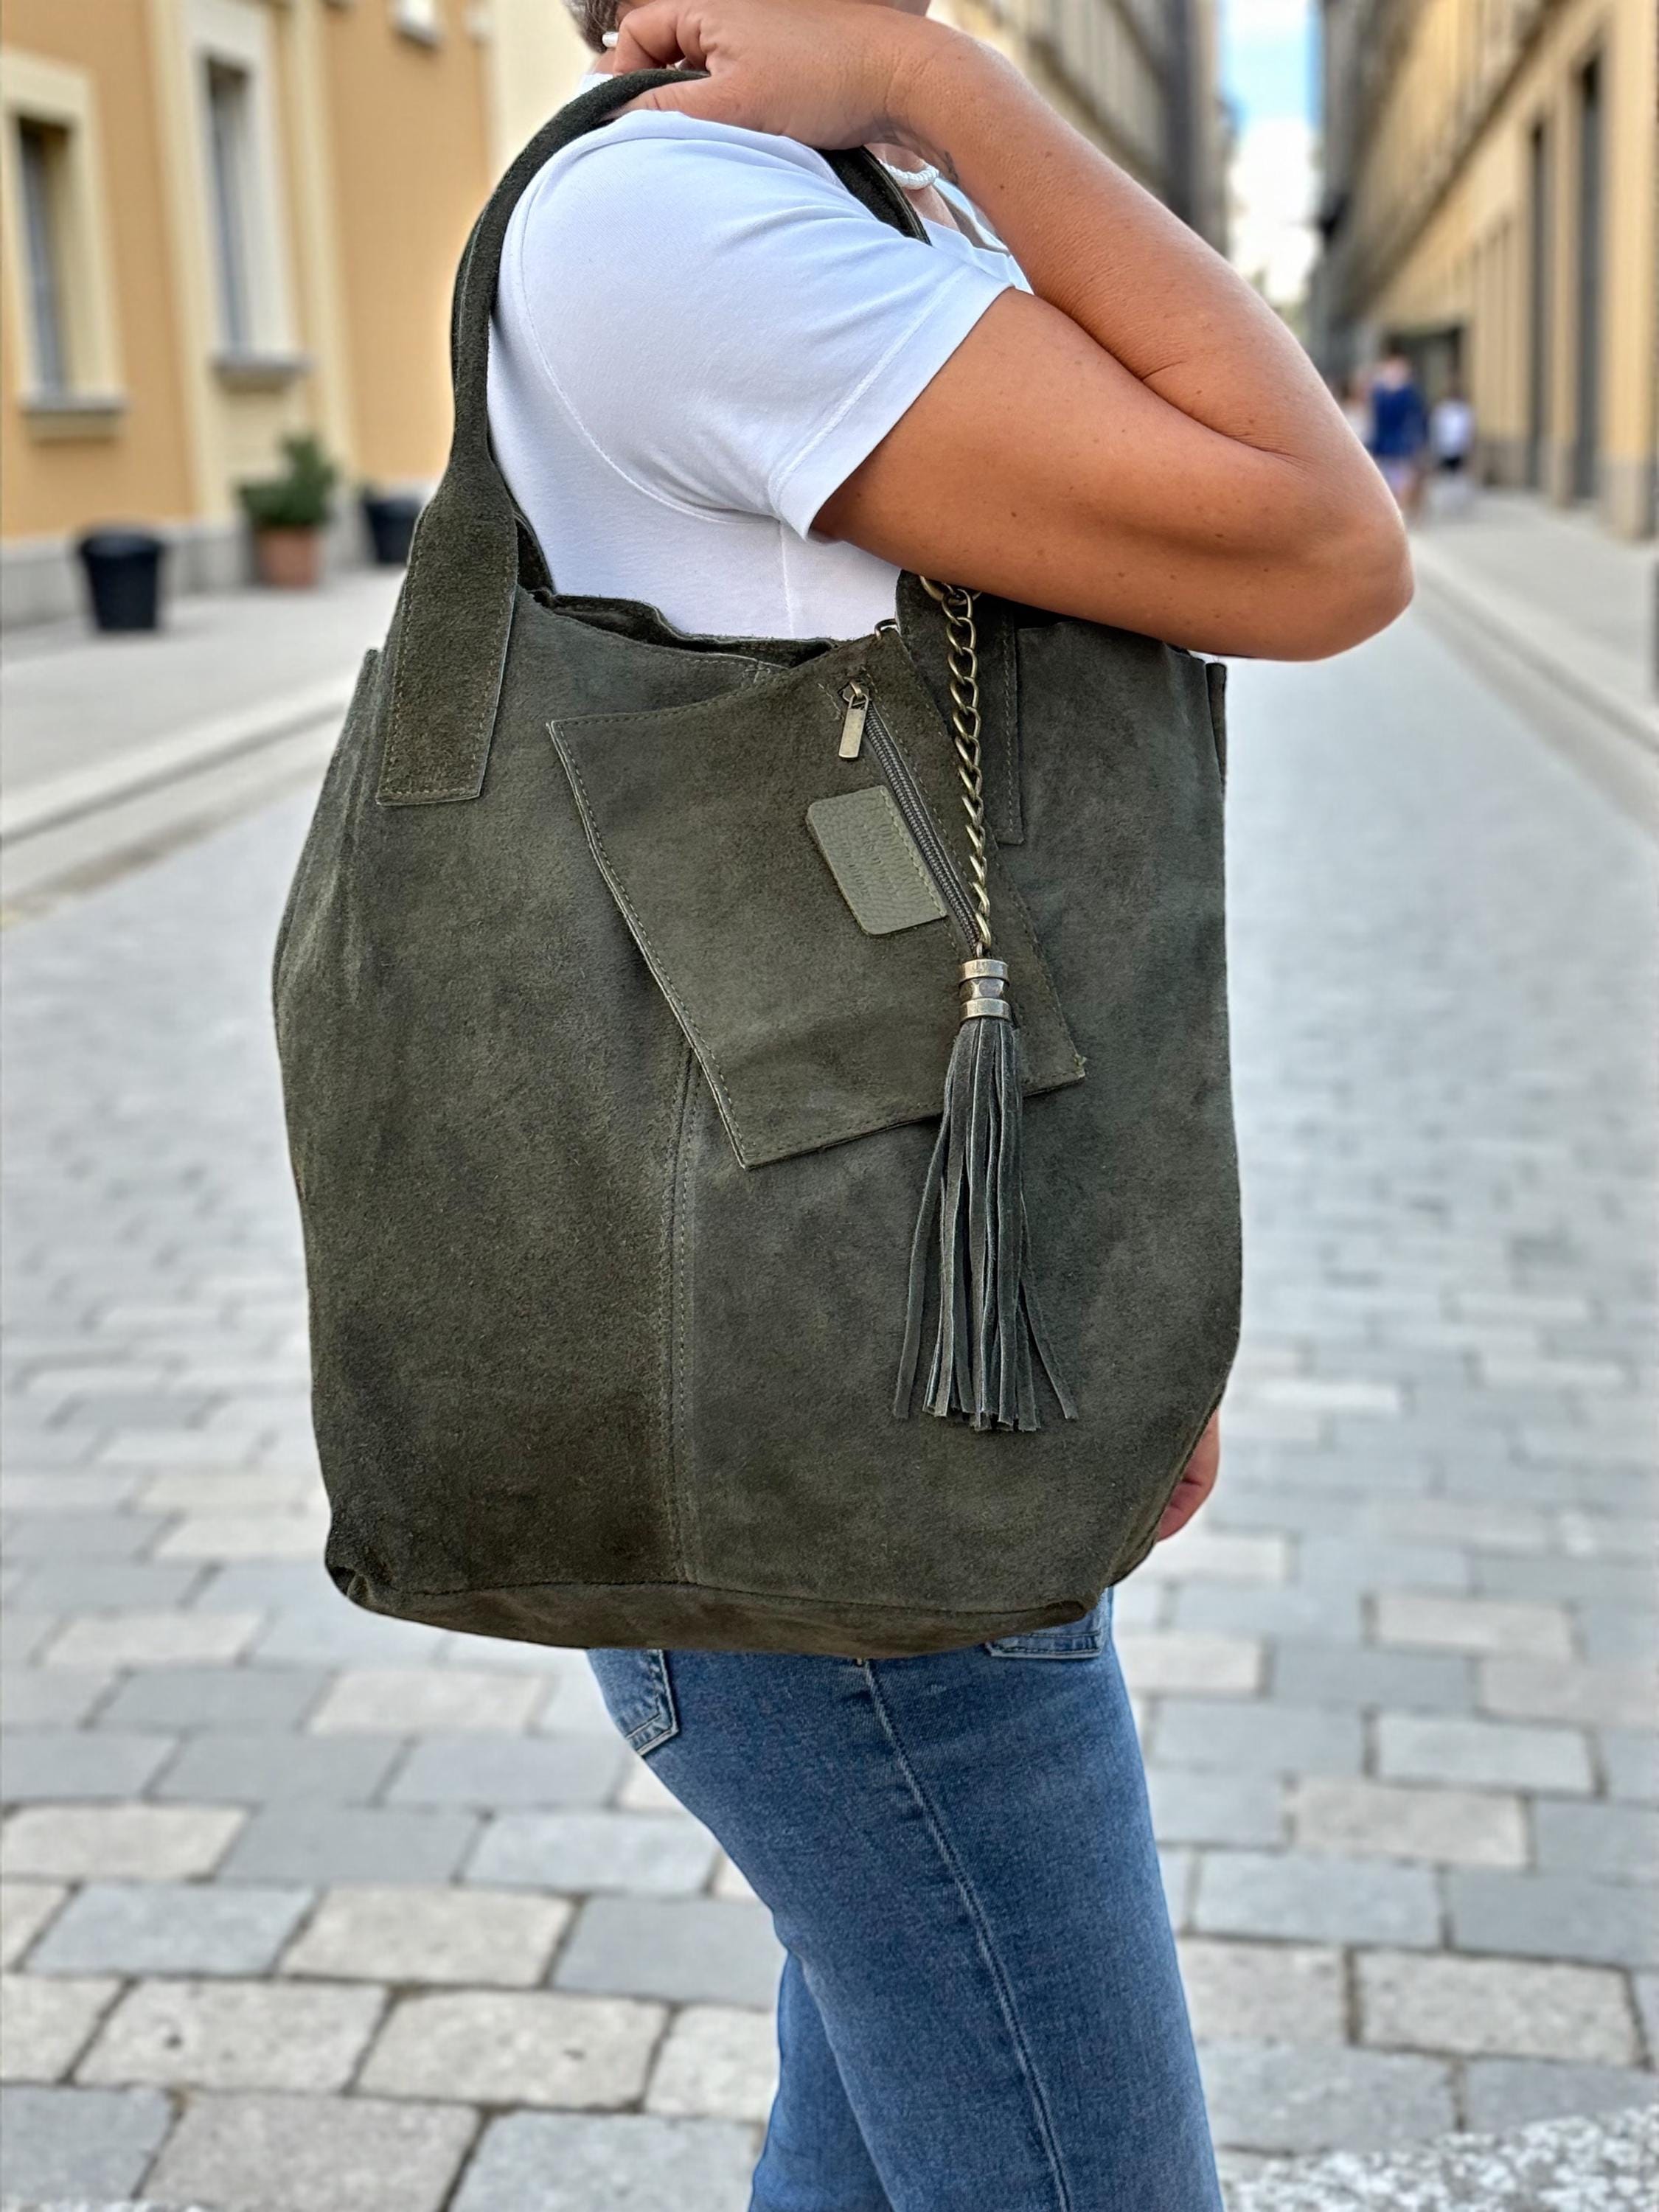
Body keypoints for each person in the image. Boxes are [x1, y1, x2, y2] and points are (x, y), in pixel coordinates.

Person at [489, 5, 1411, 2204]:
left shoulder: (796, 200)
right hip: (834, 1514)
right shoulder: (681, 221)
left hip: (887, 1412)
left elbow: (989, 827)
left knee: (888, 2148)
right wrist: (948, 80)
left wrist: (1113, 1298)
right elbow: (1317, 537)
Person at [1369, 348, 1430, 519]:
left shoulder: (1409, 392)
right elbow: (1376, 421)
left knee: (1404, 481)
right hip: (1386, 444)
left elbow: (1418, 419)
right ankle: (1395, 514)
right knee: (1388, 483)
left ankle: (1401, 514)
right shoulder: (1380, 393)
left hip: (1404, 444)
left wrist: (1420, 444)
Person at [1430, 381, 1477, 513]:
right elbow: (1436, 429)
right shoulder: (1442, 410)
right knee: (1446, 476)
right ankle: (1447, 502)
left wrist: (1469, 446)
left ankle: (1458, 502)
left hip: (1459, 447)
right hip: (1445, 447)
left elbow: (1469, 430)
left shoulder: (1464, 411)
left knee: (1458, 476)